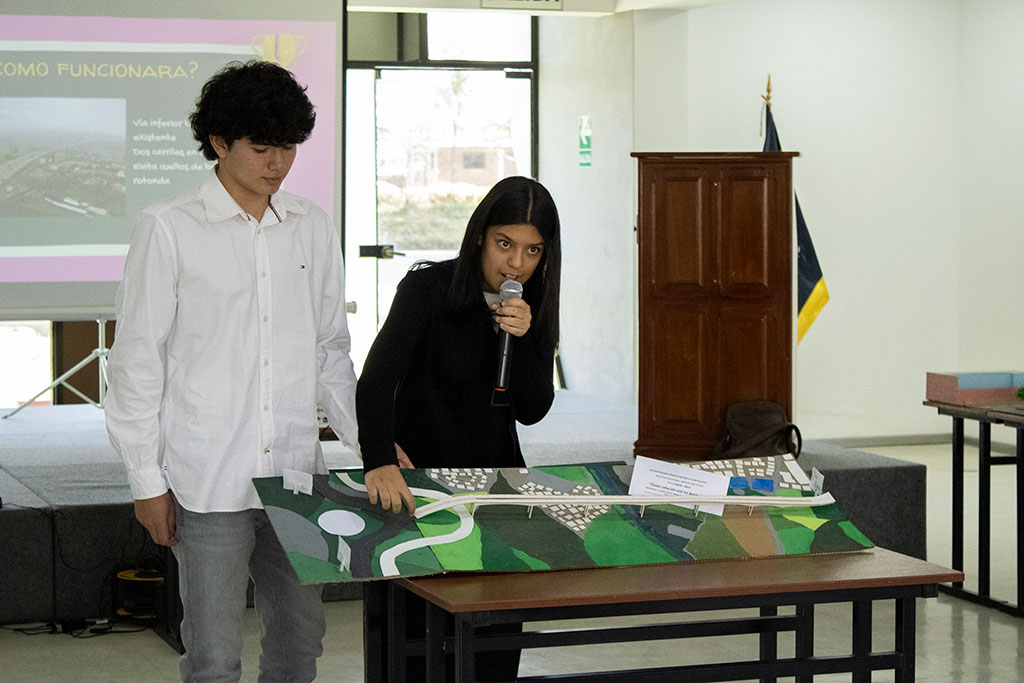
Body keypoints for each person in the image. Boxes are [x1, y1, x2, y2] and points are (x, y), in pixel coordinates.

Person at [105, 60, 358, 682]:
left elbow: (331, 349)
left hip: (297, 475)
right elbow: (137, 361)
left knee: (301, 644)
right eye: (262, 148)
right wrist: (145, 480)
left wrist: (369, 444)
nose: (278, 164)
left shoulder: (311, 225)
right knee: (214, 656)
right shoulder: (168, 227)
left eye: (289, 148)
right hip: (208, 478)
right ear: (219, 142)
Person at [356, 175, 562, 682]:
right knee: (417, 648)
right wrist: (378, 459)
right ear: (480, 236)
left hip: (496, 491)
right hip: (422, 487)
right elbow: (377, 379)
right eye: (505, 244)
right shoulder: (428, 289)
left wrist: (525, 339)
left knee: (492, 649)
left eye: (532, 251)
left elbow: (533, 409)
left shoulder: (531, 304)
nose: (516, 264)